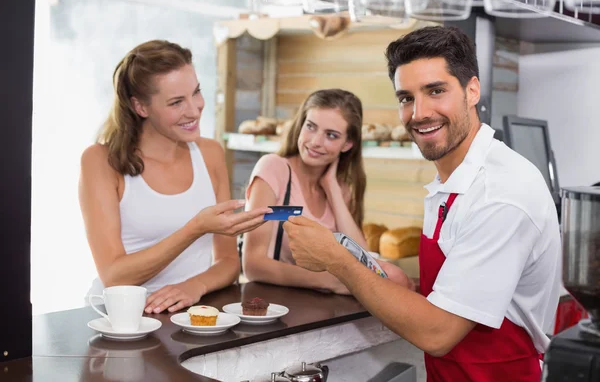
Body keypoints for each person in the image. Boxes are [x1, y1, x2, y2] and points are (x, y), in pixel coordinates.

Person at [283, 26, 562, 381]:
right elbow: (455, 293)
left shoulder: (500, 193)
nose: (418, 113)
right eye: (406, 98)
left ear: (471, 90)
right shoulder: (454, 180)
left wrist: (337, 260)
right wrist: (399, 282)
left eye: (435, 91)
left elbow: (438, 333)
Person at [79, 40, 270, 314]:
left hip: (190, 313)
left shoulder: (210, 153)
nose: (194, 110)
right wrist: (195, 228)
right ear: (141, 107)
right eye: (176, 102)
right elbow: (115, 276)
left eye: (196, 92)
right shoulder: (100, 161)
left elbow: (228, 261)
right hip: (123, 318)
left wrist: (194, 286)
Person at [243, 89, 412, 294]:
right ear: (301, 124)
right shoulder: (274, 169)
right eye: (310, 127)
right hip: (274, 308)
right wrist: (328, 281)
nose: (315, 141)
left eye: (331, 135)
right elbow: (253, 265)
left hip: (322, 311)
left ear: (347, 144)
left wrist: (332, 188)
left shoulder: (341, 188)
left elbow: (365, 261)